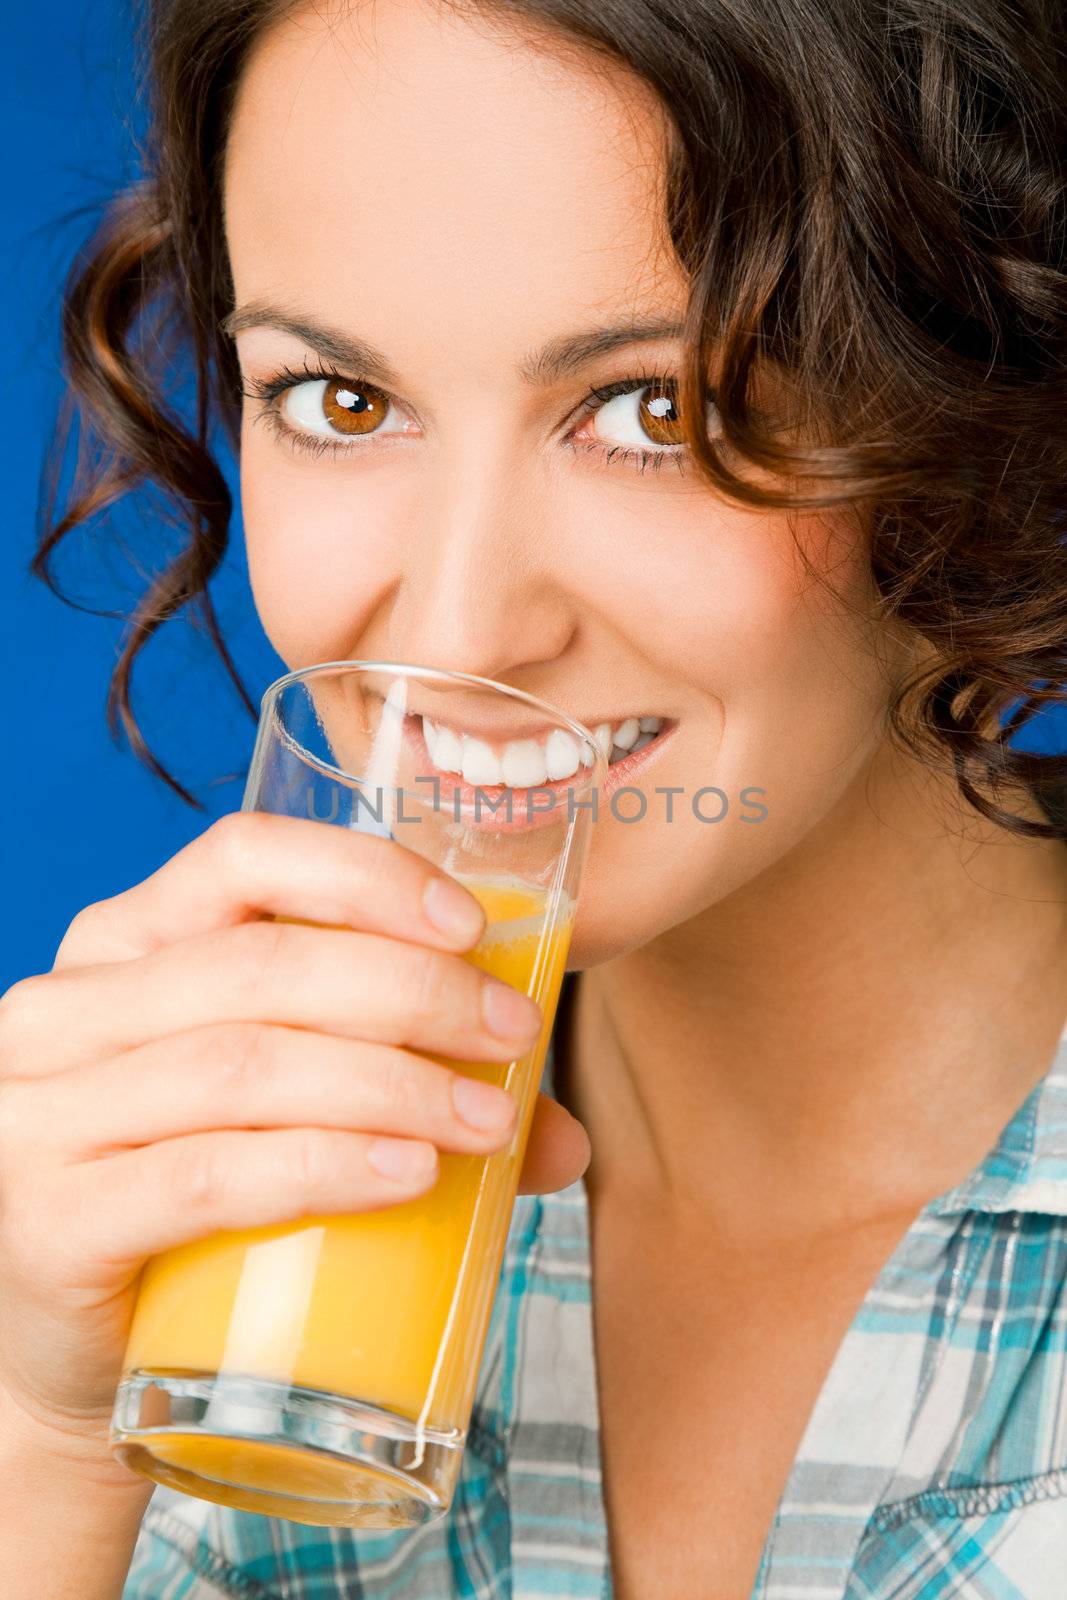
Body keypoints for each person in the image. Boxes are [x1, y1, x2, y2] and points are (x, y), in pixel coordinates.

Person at [3, 0, 1066, 1594]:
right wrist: (35, 1447)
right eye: (340, 401)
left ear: (972, 410)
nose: (454, 634)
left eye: (654, 410)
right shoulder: (173, 1277)